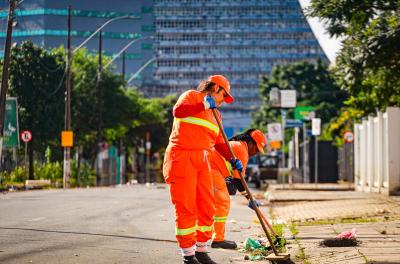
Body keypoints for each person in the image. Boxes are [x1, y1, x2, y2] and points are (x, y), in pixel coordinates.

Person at [163, 75, 241, 264]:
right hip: (181, 156)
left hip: (203, 158)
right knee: (186, 207)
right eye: (224, 95)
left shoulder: (216, 114)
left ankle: (201, 250)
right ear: (215, 88)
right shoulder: (191, 96)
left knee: (207, 207)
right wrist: (204, 105)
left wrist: (232, 158)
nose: (224, 100)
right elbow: (178, 111)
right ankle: (188, 255)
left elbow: (220, 142)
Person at [209, 129, 267, 249]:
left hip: (208, 168)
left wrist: (247, 196)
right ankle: (218, 239)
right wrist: (249, 198)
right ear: (250, 143)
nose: (256, 153)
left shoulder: (237, 146)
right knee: (223, 203)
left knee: (208, 204)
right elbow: (238, 180)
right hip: (212, 170)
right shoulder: (242, 149)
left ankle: (200, 238)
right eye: (256, 149)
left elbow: (236, 180)